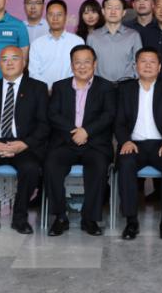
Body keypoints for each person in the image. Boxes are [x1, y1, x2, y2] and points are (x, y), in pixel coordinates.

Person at [0, 46, 49, 235]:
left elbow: (44, 124)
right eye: (4, 59)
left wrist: (24, 144)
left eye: (14, 58)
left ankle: (20, 218)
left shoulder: (38, 88)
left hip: (23, 144)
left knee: (30, 168)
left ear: (24, 62)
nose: (9, 63)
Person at [45, 45, 117, 237]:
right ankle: (60, 217)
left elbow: (109, 115)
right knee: (51, 165)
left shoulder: (106, 87)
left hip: (95, 144)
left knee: (99, 167)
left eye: (87, 62)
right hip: (65, 142)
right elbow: (53, 114)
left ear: (95, 64)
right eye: (77, 62)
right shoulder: (60, 87)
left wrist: (86, 131)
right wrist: (74, 132)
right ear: (71, 65)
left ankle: (90, 218)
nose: (82, 66)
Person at [115, 47, 162, 240]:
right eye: (143, 61)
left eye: (152, 62)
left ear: (159, 67)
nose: (147, 65)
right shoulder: (125, 89)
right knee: (125, 163)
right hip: (134, 144)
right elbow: (118, 122)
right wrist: (125, 141)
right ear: (136, 66)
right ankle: (131, 222)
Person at [27, 0, 81, 90]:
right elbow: (34, 73)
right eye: (51, 14)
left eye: (59, 14)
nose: (55, 18)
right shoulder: (36, 44)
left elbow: (79, 70)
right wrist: (48, 88)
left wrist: (62, 88)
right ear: (46, 17)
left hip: (69, 91)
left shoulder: (77, 42)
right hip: (43, 92)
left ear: (66, 17)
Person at [88, 0, 140, 83]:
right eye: (109, 8)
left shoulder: (133, 35)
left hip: (127, 85)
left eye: (117, 8)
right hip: (100, 86)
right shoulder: (92, 37)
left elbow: (139, 62)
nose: (113, 12)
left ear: (123, 12)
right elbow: (88, 63)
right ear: (103, 11)